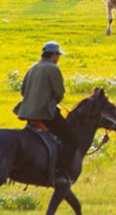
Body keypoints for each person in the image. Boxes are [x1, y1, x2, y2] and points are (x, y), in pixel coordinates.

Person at [14, 41, 79, 184]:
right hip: (44, 114)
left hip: (26, 113)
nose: (58, 58)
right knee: (71, 139)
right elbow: (59, 93)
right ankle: (60, 171)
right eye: (58, 55)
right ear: (54, 55)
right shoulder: (53, 69)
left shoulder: (33, 67)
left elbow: (23, 91)